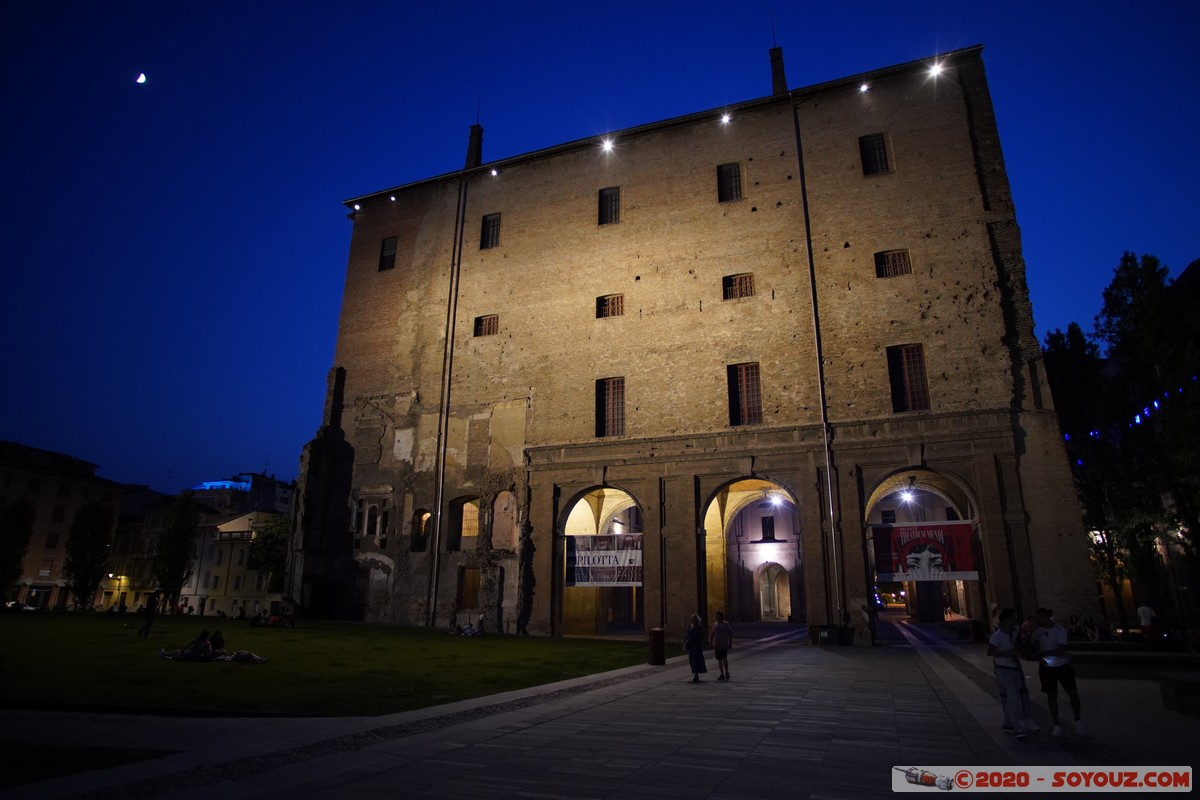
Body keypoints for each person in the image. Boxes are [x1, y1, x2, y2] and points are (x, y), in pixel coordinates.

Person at [1031, 608, 1085, 737]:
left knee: (1072, 693)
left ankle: (1078, 720)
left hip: (1062, 665)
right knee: (1051, 695)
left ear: (1044, 618)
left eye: (1037, 618)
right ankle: (1056, 724)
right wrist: (1038, 654)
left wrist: (1042, 653)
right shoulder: (1038, 631)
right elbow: (1035, 645)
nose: (1035, 621)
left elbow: (1061, 650)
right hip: (1046, 667)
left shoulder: (1060, 630)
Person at [986, 608, 1038, 739]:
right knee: (1013, 697)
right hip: (1003, 669)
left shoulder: (1014, 633)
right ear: (1005, 621)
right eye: (1011, 620)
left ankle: (1008, 723)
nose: (1013, 622)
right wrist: (1007, 653)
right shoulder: (997, 636)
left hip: (1014, 667)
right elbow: (990, 651)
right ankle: (1017, 726)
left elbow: (1025, 636)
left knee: (1015, 696)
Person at [683, 613, 707, 683]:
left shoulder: (698, 627)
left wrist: (703, 643)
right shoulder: (690, 626)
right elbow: (687, 635)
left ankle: (696, 674)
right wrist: (684, 642)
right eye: (692, 619)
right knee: (692, 660)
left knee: (696, 660)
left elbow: (701, 636)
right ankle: (695, 672)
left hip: (697, 645)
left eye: (694, 619)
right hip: (691, 646)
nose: (692, 620)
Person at [710, 611, 733, 681]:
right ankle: (722, 673)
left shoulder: (726, 624)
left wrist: (730, 643)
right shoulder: (715, 624)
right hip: (717, 644)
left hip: (724, 644)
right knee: (719, 659)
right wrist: (711, 642)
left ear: (721, 616)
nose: (716, 617)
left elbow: (730, 634)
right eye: (716, 616)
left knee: (724, 658)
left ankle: (727, 672)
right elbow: (712, 633)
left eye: (717, 616)